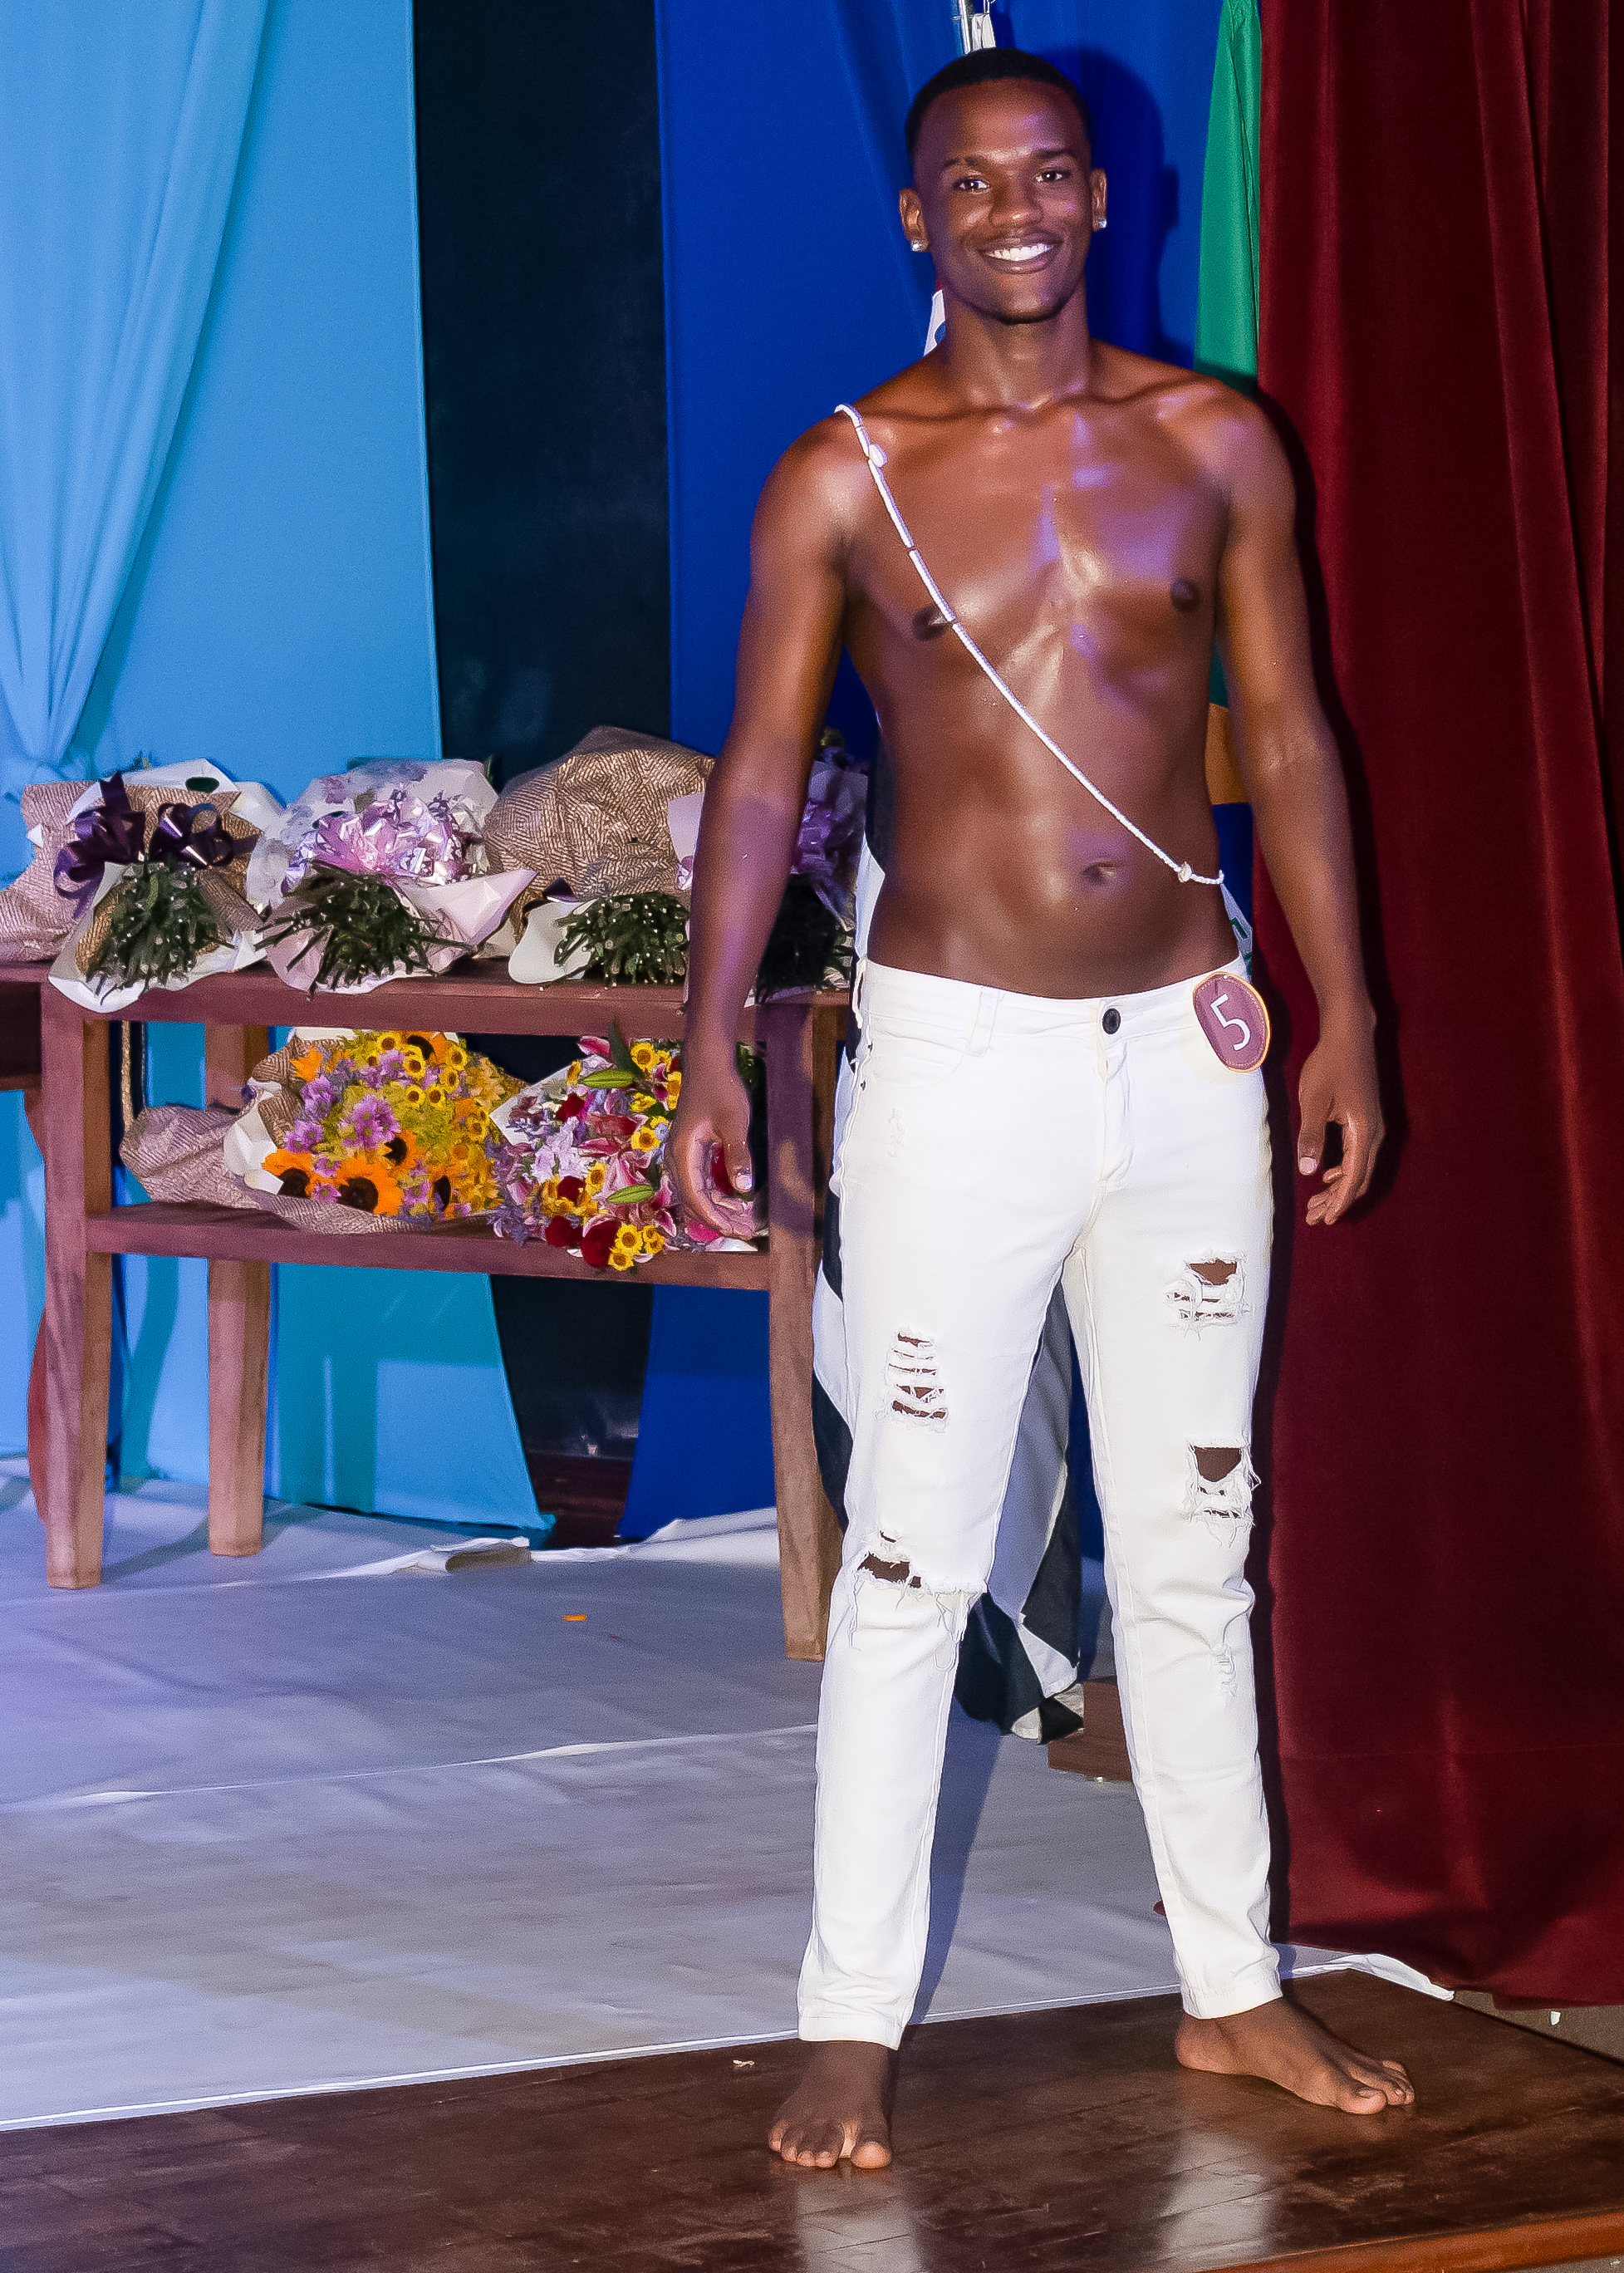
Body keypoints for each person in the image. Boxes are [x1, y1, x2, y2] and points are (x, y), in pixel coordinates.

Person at [670, 47, 1413, 2169]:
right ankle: (847, 2017)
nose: (1018, 208)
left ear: (1105, 196)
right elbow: (758, 774)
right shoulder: (843, 477)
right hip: (959, 1067)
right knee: (911, 1553)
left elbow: (1293, 732)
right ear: (918, 218)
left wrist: (1347, 1014)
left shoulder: (1214, 442)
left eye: (1052, 172)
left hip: (1187, 1054)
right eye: (974, 182)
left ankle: (1232, 1987)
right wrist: (710, 1035)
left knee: (1195, 1545)